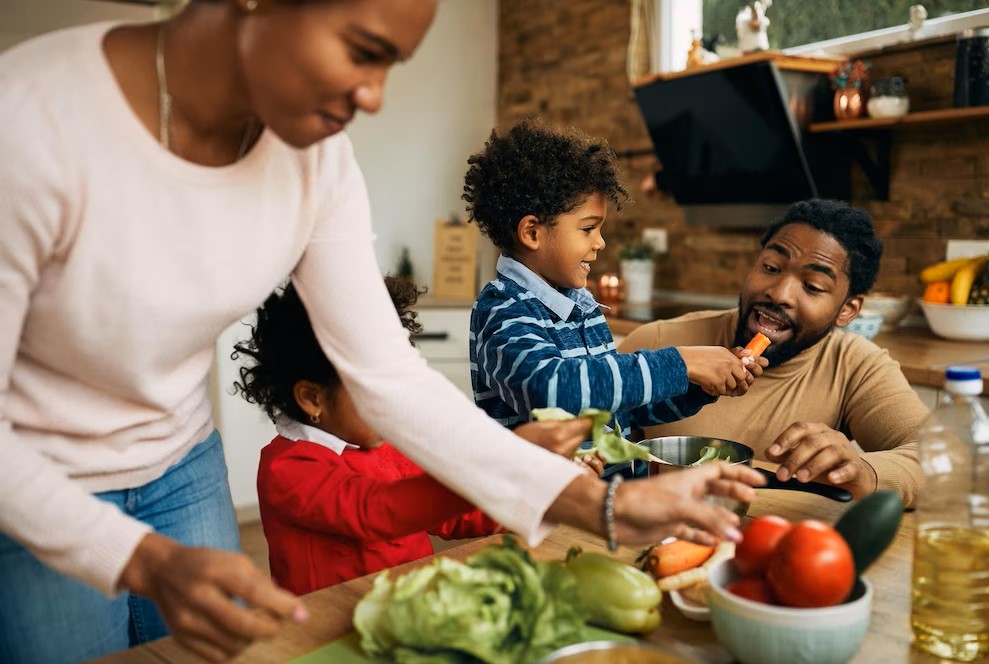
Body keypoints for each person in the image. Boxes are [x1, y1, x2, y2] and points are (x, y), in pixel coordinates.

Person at [0, 2, 764, 661]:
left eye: (392, 63)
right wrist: (137, 557)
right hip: (33, 473)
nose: (372, 96)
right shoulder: (31, 126)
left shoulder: (317, 159)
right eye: (363, 52)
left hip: (179, 458)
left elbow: (389, 376)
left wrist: (599, 504)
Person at [236, 276, 605, 593]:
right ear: (313, 397)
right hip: (326, 632)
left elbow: (460, 512)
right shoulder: (287, 469)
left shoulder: (386, 444)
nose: (395, 404)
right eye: (375, 391)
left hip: (403, 613)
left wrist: (548, 490)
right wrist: (508, 466)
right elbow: (378, 511)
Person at [464, 119, 767, 466]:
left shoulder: (583, 308)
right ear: (532, 232)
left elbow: (621, 409)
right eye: (588, 228)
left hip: (606, 499)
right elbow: (553, 391)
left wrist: (699, 385)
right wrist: (682, 362)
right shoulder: (503, 309)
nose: (600, 242)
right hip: (544, 509)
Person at [620, 199, 925, 506]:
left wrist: (864, 473)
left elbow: (936, 457)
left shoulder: (856, 365)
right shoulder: (657, 341)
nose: (779, 293)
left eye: (812, 286)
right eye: (770, 268)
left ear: (847, 310)